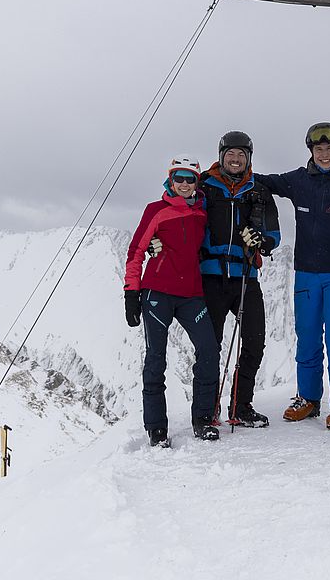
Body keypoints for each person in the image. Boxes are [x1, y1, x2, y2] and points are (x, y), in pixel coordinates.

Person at [256, 122, 330, 431]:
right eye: (318, 149)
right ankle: (308, 398)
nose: (324, 154)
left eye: (329, 148)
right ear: (311, 151)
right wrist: (223, 172)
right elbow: (264, 182)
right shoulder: (299, 180)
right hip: (305, 273)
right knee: (306, 338)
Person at [123, 155, 221, 446]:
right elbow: (136, 251)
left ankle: (202, 419)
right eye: (178, 177)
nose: (184, 184)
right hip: (157, 293)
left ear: (197, 182)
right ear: (170, 179)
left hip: (192, 293)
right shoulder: (156, 210)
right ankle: (156, 428)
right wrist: (131, 291)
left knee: (209, 351)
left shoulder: (202, 212)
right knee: (156, 359)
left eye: (190, 178)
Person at [199, 130, 281, 428]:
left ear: (249, 159)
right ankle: (207, 408)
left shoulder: (258, 192)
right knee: (211, 345)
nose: (235, 160)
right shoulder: (204, 187)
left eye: (241, 155)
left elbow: (274, 235)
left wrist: (261, 240)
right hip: (211, 277)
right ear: (221, 157)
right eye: (230, 155)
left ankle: (240, 405)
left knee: (254, 342)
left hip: (246, 276)